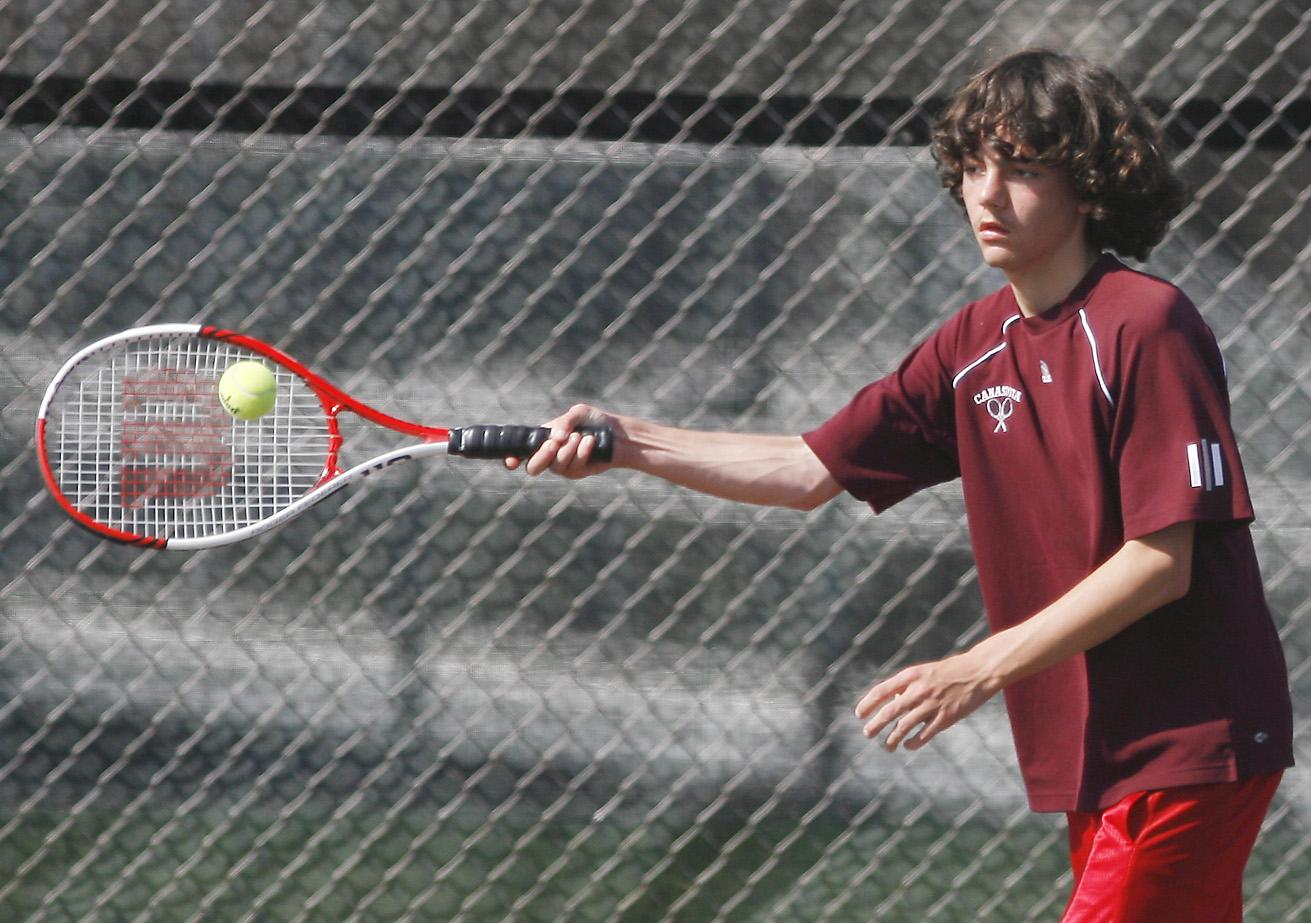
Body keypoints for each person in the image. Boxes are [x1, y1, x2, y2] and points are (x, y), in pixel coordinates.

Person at [509, 49, 1294, 922]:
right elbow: (809, 468)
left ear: (1088, 186)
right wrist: (628, 441)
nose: (986, 195)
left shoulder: (1144, 324)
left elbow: (1161, 560)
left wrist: (975, 669)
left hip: (1189, 739)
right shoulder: (971, 343)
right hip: (1096, 743)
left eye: (1023, 169)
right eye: (972, 167)